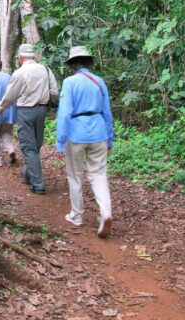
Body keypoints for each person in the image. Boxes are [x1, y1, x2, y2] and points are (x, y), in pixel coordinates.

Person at [56, 46, 115, 238]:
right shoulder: (99, 82)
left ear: (73, 64)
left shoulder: (69, 82)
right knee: (98, 175)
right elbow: (107, 112)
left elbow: (64, 113)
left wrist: (60, 140)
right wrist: (110, 137)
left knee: (75, 175)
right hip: (98, 132)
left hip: (76, 133)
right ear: (89, 62)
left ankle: (77, 216)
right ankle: (105, 213)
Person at [0, 44, 58, 194]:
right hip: (42, 110)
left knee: (28, 147)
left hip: (25, 111)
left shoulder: (20, 72)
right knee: (36, 144)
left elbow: (11, 95)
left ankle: (38, 185)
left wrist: (1, 107)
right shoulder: (45, 69)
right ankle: (27, 174)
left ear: (20, 57)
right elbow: (54, 92)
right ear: (33, 56)